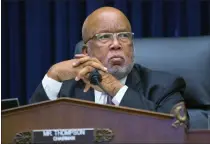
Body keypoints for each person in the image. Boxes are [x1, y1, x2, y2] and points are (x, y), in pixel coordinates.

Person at [30, 7, 187, 116]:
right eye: (104, 37)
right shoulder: (67, 90)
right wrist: (53, 74)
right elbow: (26, 131)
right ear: (86, 52)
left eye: (124, 35)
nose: (116, 44)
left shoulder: (164, 86)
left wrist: (112, 86)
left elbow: (174, 133)